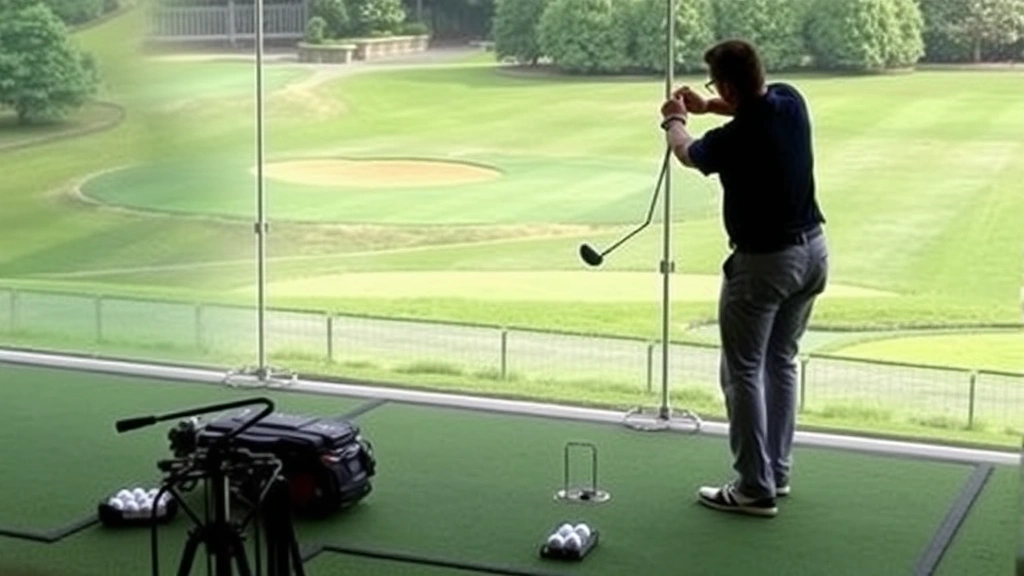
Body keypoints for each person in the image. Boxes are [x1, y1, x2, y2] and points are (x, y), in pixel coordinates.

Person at [658, 39, 829, 518]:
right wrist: (710, 104)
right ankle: (777, 471)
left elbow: (687, 152)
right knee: (781, 361)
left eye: (716, 86)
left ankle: (754, 487)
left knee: (742, 371)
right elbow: (748, 106)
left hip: (764, 263)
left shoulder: (734, 140)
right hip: (814, 251)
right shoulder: (790, 100)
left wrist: (675, 118)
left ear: (730, 85)